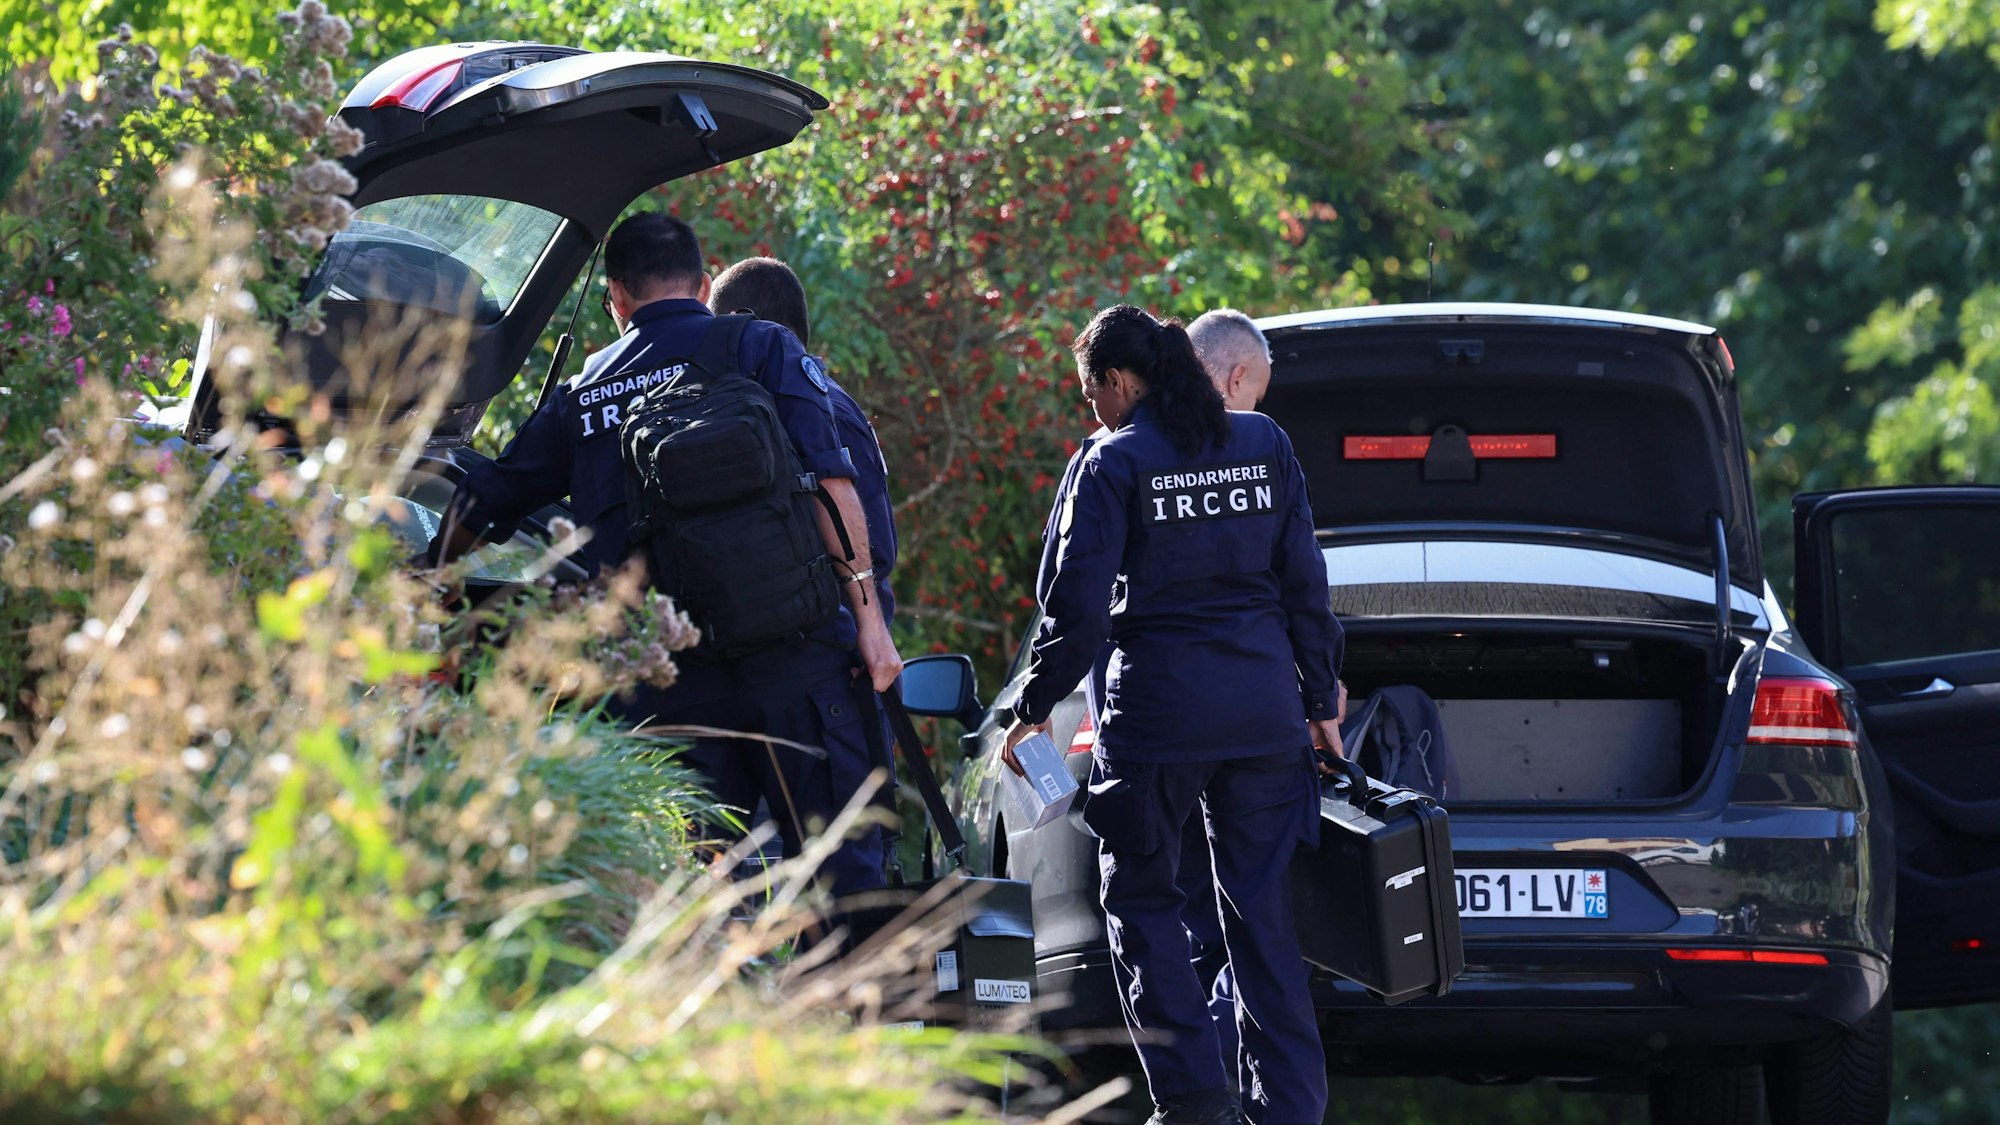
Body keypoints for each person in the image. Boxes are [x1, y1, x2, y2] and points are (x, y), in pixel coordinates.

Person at [428, 213, 900, 900]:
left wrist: (432, 575)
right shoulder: (762, 346)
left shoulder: (581, 396)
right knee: (844, 883)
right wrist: (871, 626)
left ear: (616, 297)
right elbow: (834, 484)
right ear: (704, 285)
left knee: (678, 897)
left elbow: (485, 497)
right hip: (797, 662)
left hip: (666, 686)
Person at [1001, 305, 1344, 1125]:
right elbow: (1306, 584)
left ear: (1119, 380)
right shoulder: (1264, 442)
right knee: (1265, 917)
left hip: (1157, 720)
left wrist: (1032, 709)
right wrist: (1320, 700)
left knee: (1143, 899)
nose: (1091, 409)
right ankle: (1289, 1109)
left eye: (1091, 392)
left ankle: (1193, 1101)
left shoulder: (1112, 462)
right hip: (1263, 714)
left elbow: (1076, 611)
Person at [709, 254, 903, 883]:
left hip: (761, 673)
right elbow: (878, 547)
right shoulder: (821, 405)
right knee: (842, 875)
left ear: (746, 324)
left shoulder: (739, 410)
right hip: (828, 675)